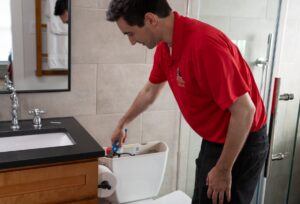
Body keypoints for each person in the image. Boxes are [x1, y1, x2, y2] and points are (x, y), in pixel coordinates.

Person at [106, 0, 269, 203]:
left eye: (130, 33)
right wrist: (123, 123)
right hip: (215, 138)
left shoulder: (205, 45)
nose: (131, 41)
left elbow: (245, 111)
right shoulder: (166, 47)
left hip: (242, 140)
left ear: (150, 19)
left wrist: (224, 168)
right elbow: (149, 91)